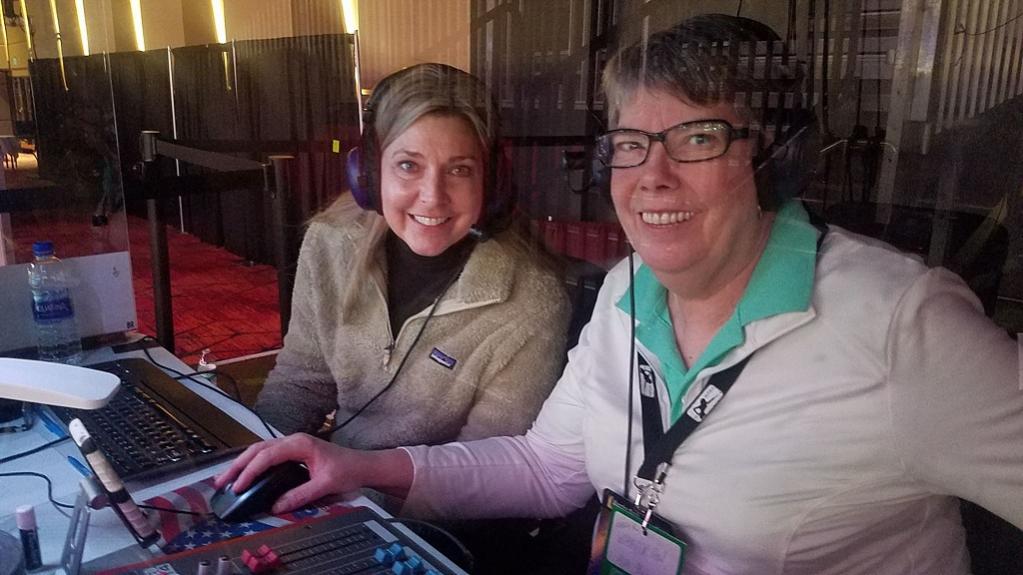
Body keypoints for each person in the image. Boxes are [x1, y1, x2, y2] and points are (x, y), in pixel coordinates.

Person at [220, 16, 1023, 574]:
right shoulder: (625, 292)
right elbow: (545, 466)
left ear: (776, 159)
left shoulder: (901, 325)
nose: (652, 177)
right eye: (632, 143)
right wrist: (357, 465)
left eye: (698, 137)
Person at [253, 63, 571, 449]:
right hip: (330, 473)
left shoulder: (532, 302)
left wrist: (353, 477)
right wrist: (252, 461)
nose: (432, 196)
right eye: (408, 166)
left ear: (491, 183)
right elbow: (301, 383)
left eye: (459, 169)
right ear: (369, 174)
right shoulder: (330, 242)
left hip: (427, 488)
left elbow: (486, 464)